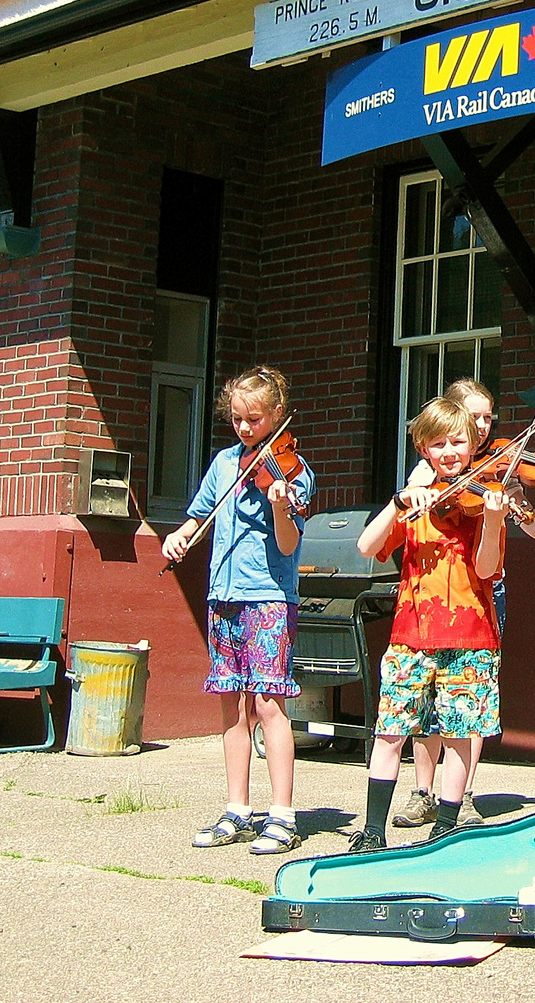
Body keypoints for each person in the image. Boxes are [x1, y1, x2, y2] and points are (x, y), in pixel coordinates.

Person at [394, 378, 535, 829]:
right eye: (473, 417)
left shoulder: (497, 474)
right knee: (426, 700)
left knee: (468, 698)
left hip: (483, 591)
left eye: (487, 417)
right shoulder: (430, 471)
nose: (483, 427)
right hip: (431, 590)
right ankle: (423, 790)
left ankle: (460, 794)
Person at [164, 366, 316, 855]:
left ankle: (284, 815)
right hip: (222, 594)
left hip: (269, 596)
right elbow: (198, 514)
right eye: (237, 420)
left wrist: (278, 508)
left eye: (254, 419)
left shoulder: (293, 470)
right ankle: (236, 809)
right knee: (233, 705)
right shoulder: (226, 463)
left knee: (270, 704)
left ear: (276, 414)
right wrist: (180, 535)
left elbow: (290, 543)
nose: (246, 429)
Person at [350, 396, 508, 850]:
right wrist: (398, 501)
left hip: (471, 637)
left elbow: (485, 569)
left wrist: (494, 520)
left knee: (460, 735)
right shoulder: (415, 502)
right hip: (411, 636)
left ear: (474, 444)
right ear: (423, 450)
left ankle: (445, 827)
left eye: (458, 441)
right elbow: (365, 546)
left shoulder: (482, 502)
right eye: (437, 444)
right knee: (390, 731)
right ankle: (373, 830)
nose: (449, 452)